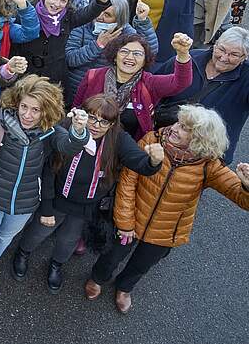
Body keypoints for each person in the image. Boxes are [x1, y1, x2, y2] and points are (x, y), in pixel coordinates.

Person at [85, 105, 249, 314]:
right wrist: (125, 223)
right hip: (132, 218)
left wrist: (246, 186)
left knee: (142, 264)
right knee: (113, 254)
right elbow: (127, 181)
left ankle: (124, 288)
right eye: (178, 122)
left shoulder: (209, 165)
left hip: (166, 230)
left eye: (184, 128)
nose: (173, 128)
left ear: (200, 139)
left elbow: (242, 200)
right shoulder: (152, 141)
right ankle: (97, 278)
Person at [13, 94, 164, 292]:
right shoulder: (66, 128)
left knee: (69, 239)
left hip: (86, 204)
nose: (96, 125)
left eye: (104, 121)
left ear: (112, 124)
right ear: (82, 115)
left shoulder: (118, 138)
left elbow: (140, 163)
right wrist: (47, 206)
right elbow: (48, 171)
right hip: (57, 197)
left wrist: (154, 161)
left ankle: (56, 265)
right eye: (92, 117)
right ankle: (23, 253)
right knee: (40, 229)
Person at [0, 75, 90, 293]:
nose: (27, 115)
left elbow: (69, 146)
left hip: (25, 203)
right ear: (16, 102)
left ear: (46, 110)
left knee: (5, 239)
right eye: (24, 107)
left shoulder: (50, 132)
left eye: (36, 110)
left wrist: (77, 130)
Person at [154, 27, 249, 164]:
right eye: (221, 49)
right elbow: (155, 85)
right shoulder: (191, 57)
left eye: (233, 54)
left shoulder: (246, 77)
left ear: (244, 58)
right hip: (168, 138)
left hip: (206, 154)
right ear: (215, 44)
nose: (224, 58)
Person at [74, 33, 194, 140]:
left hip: (126, 151)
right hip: (87, 142)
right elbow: (77, 108)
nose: (130, 57)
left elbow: (181, 82)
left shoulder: (149, 83)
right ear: (115, 56)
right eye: (124, 51)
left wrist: (183, 54)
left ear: (144, 61)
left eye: (137, 54)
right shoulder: (93, 76)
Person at [13, 0, 114, 86]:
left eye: (63, 0)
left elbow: (88, 13)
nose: (57, 4)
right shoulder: (27, 12)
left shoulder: (69, 16)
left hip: (53, 78)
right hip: (25, 74)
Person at [65, 0, 158, 101]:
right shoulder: (82, 26)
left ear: (119, 20)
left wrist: (142, 21)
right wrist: (98, 45)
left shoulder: (125, 32)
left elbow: (150, 52)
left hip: (103, 94)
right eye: (98, 11)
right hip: (74, 88)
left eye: (107, 15)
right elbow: (70, 59)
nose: (99, 17)